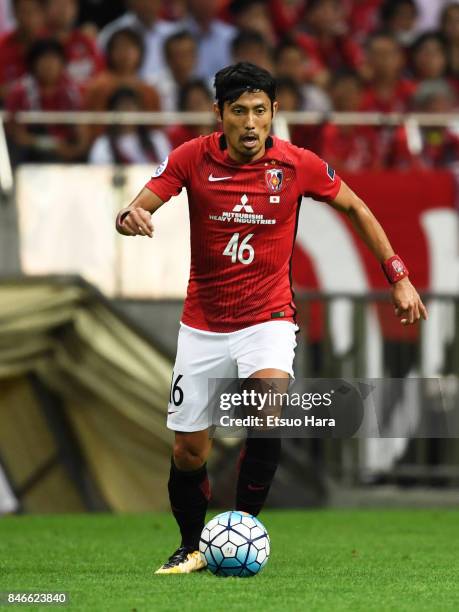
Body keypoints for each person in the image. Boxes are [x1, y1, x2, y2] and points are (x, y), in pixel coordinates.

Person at [115, 62, 427, 574]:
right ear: (220, 114)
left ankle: (240, 530)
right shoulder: (191, 158)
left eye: (261, 110)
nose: (251, 122)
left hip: (268, 318)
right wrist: (131, 217)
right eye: (239, 111)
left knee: (267, 414)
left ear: (275, 112)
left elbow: (355, 207)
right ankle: (191, 546)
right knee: (189, 451)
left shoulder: (298, 164)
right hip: (204, 323)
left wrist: (397, 275)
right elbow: (134, 210)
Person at [5, 38, 88, 163]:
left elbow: (82, 135)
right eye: (44, 60)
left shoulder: (72, 93)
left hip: (66, 154)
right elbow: (16, 135)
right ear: (33, 63)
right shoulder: (20, 92)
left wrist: (71, 152)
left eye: (54, 59)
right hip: (31, 154)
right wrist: (52, 145)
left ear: (62, 63)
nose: (49, 65)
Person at [88, 86, 171, 165]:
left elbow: (169, 171)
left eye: (131, 106)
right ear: (113, 111)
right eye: (122, 106)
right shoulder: (103, 144)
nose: (127, 110)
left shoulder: (156, 139)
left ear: (140, 110)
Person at [44, 0, 104, 88]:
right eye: (57, 4)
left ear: (75, 9)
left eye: (67, 5)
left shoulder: (86, 41)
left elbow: (100, 75)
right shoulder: (39, 41)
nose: (63, 9)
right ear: (46, 8)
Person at [0, 0, 46, 103]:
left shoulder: (51, 45)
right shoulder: (2, 46)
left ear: (42, 13)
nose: (28, 18)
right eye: (24, 11)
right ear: (15, 13)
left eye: (33, 11)